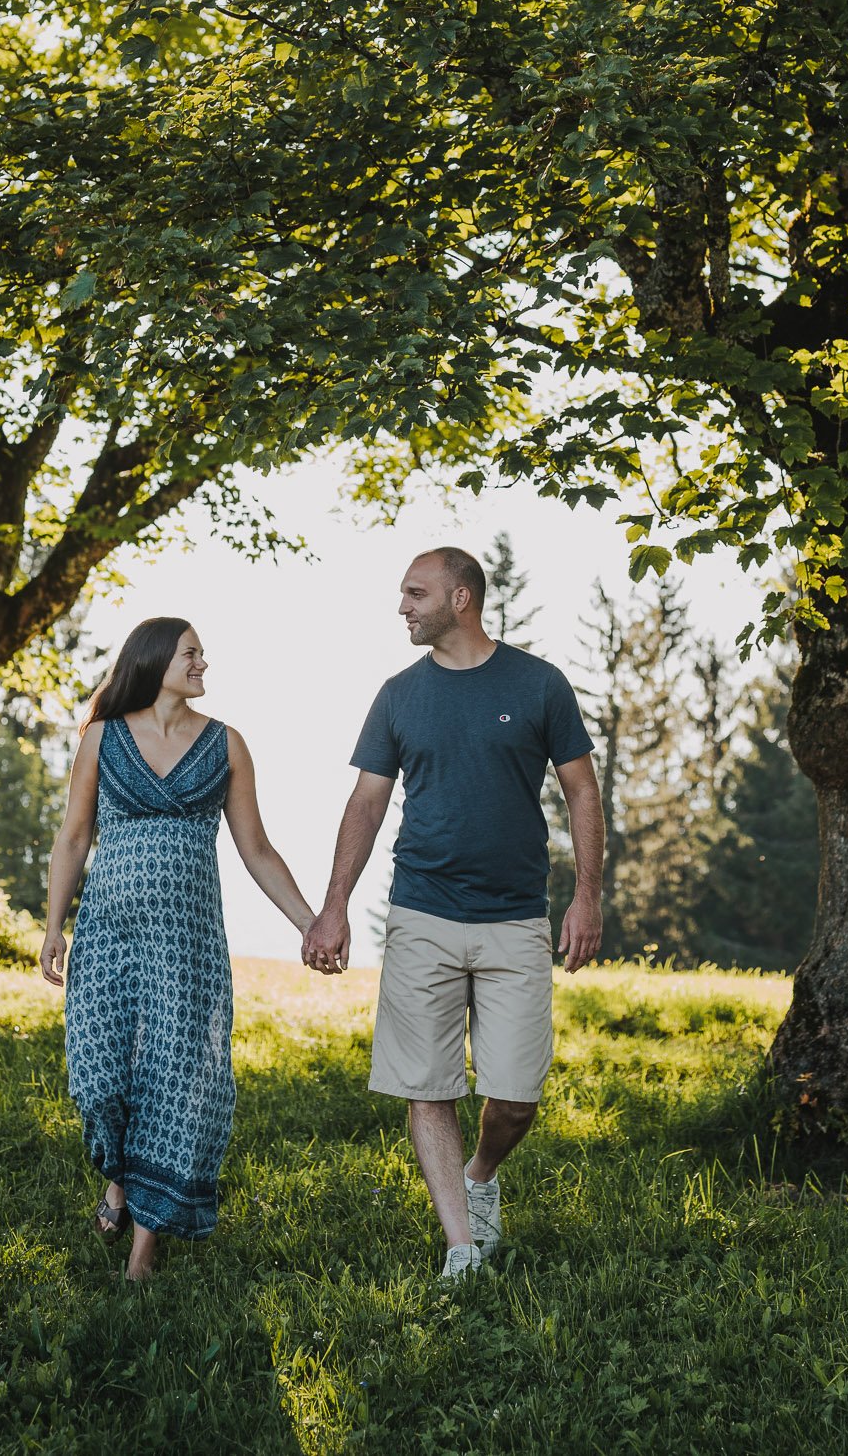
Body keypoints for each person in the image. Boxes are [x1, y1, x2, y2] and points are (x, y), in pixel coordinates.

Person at [302, 547, 604, 1281]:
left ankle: (481, 1174)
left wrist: (587, 894)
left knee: (517, 1096)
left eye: (416, 593)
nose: (402, 606)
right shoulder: (399, 695)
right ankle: (461, 1247)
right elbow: (367, 802)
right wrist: (334, 905)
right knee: (428, 1086)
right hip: (421, 913)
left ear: (460, 598)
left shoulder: (538, 684)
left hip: (515, 918)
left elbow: (582, 791)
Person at [40, 615, 317, 1282]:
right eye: (191, 653)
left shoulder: (226, 745)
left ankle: (144, 1248)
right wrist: (53, 927)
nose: (202, 664)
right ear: (156, 659)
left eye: (202, 654)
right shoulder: (103, 737)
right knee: (102, 1077)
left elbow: (257, 849)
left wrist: (310, 922)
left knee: (175, 1081)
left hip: (187, 945)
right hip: (107, 936)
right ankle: (119, 1179)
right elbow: (74, 837)